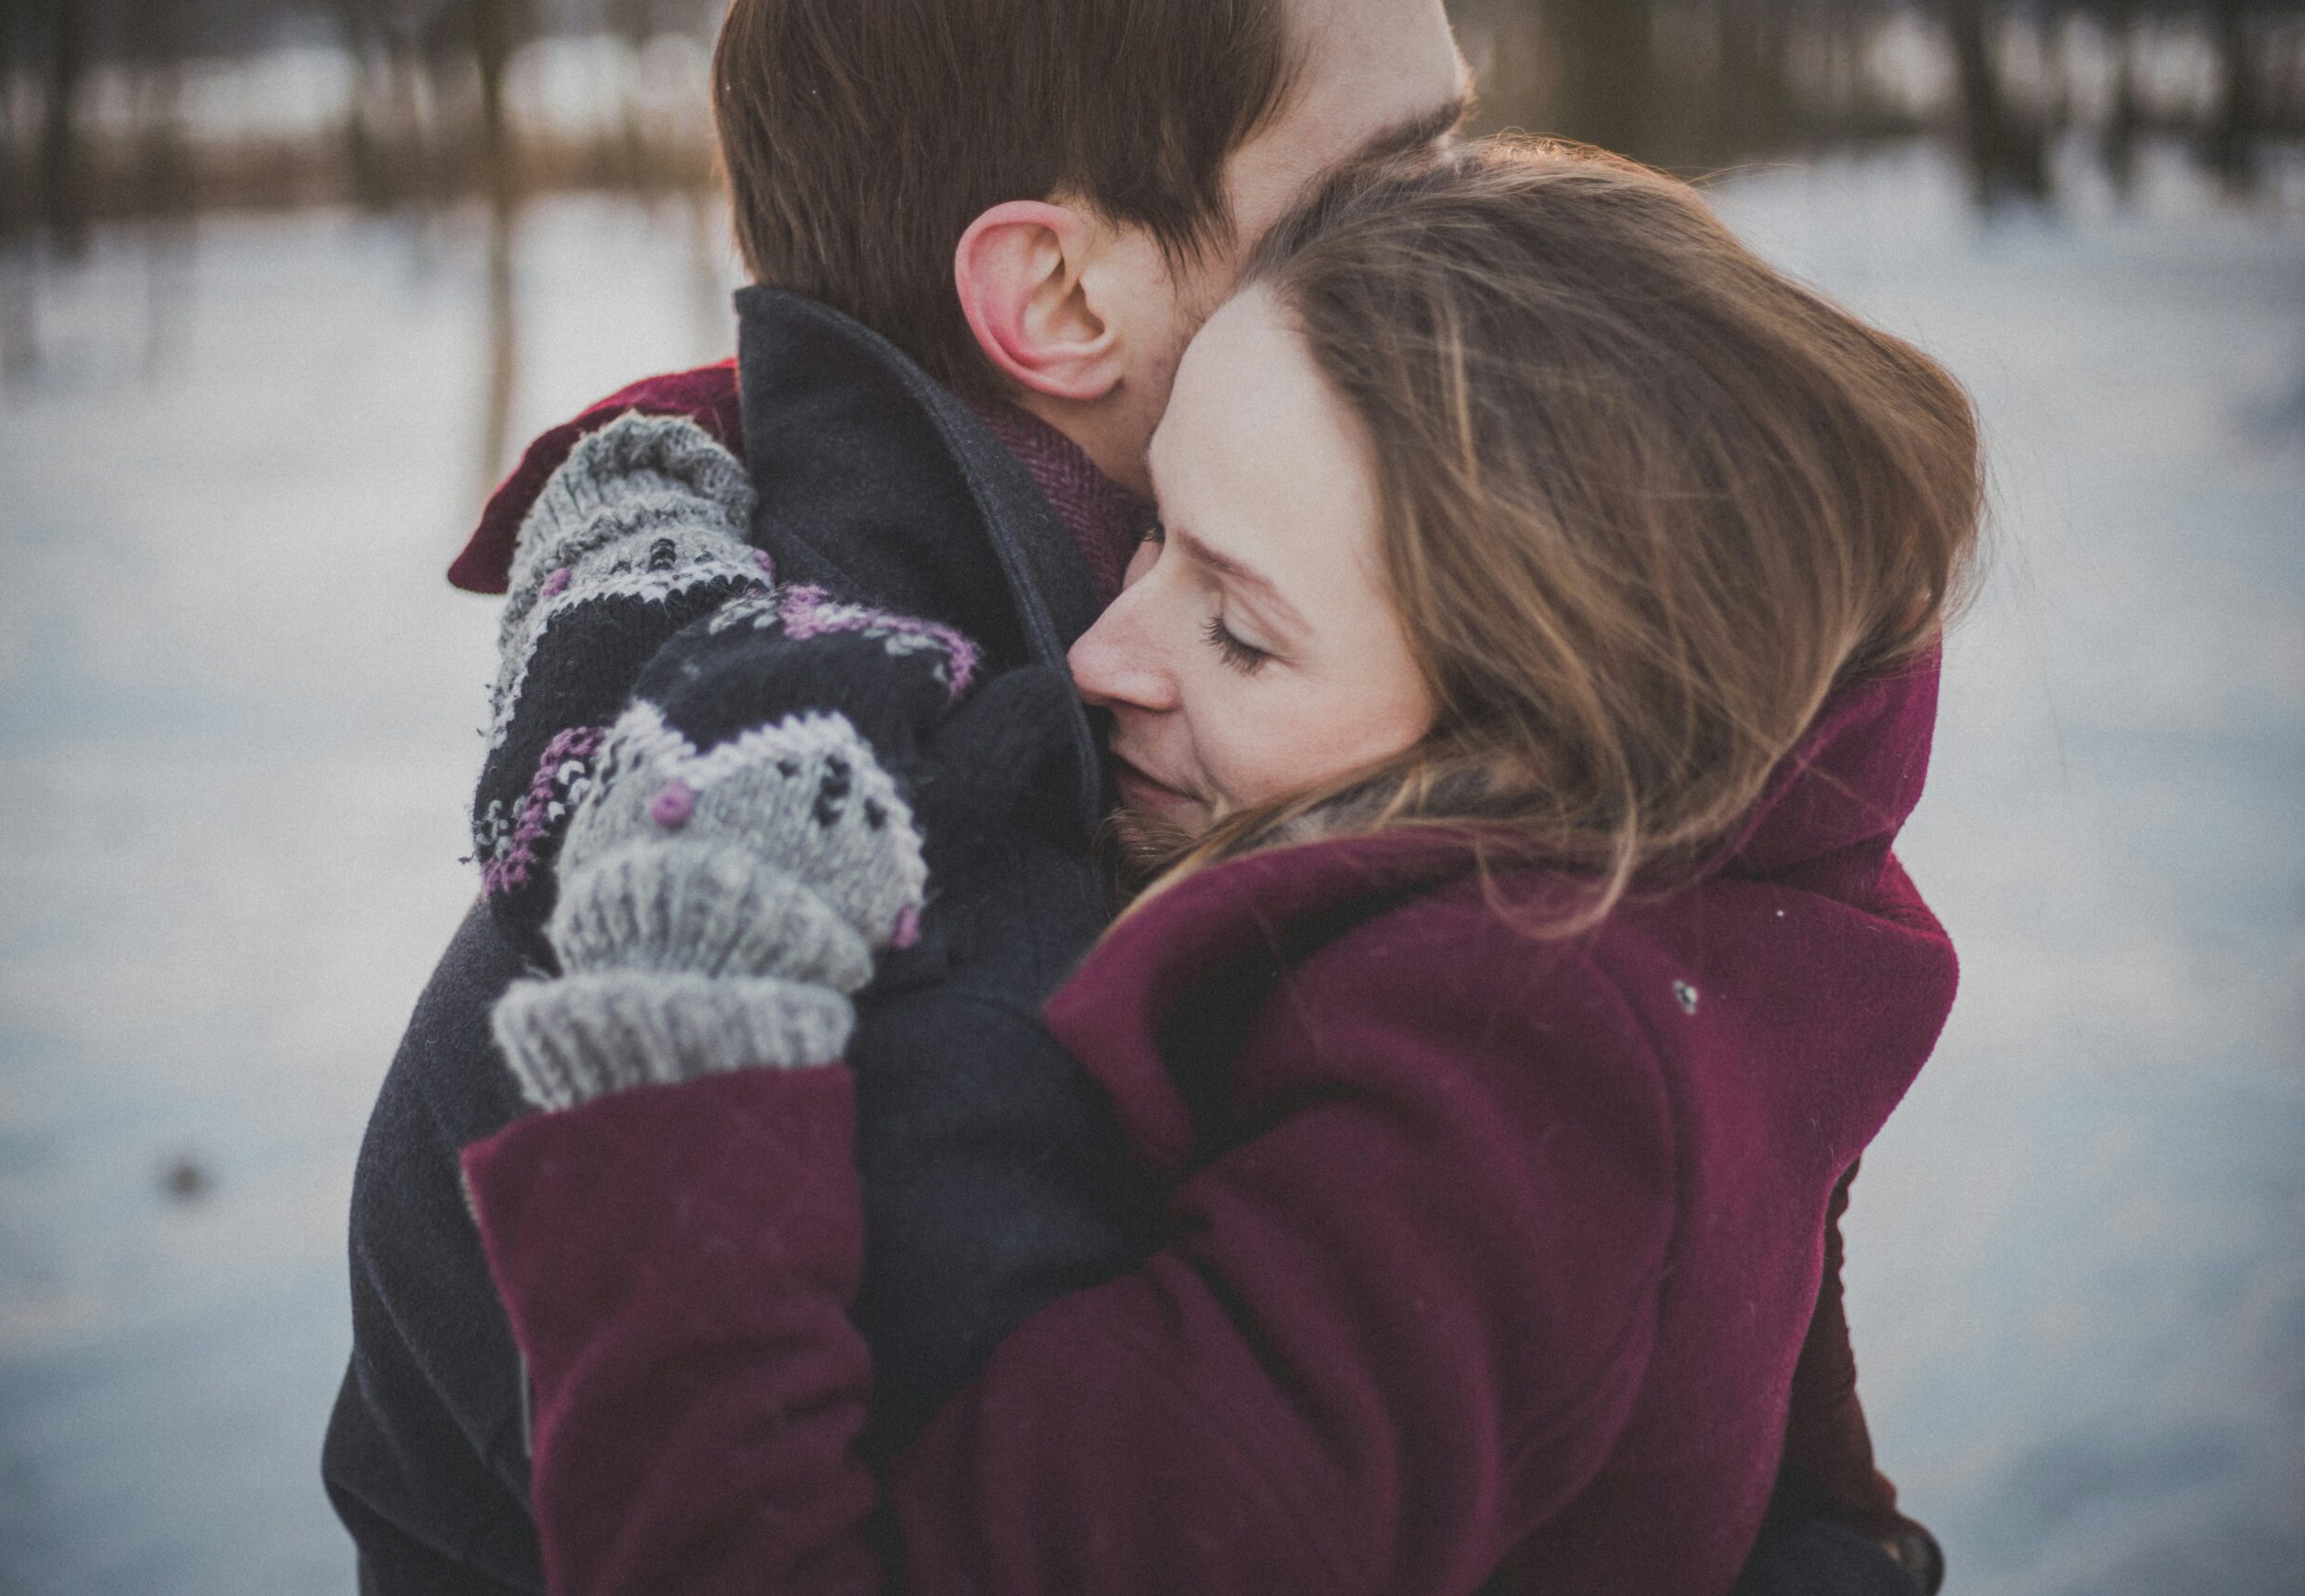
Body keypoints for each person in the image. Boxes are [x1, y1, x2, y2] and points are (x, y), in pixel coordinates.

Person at [456, 138, 1981, 1593]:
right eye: (1152, 530)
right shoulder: (1723, 910)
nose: (1104, 655)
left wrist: (684, 1037)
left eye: (1242, 633)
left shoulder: (1498, 1120)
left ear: (1544, 738)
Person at [323, 2, 1476, 1589]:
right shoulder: (909, 940)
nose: (1493, 234)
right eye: (1393, 184)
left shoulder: (1168, 710)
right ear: (1059, 294)